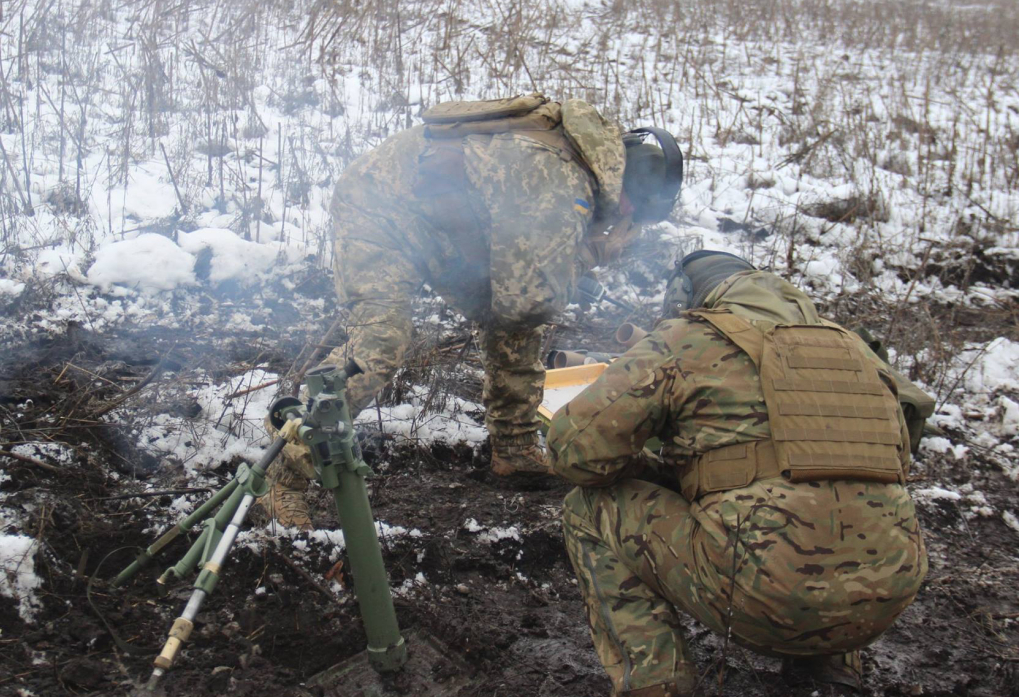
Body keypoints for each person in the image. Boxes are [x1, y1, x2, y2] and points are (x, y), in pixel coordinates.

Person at [256, 94, 681, 529]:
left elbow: (517, 299)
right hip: (379, 211)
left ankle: (513, 451)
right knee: (381, 340)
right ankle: (283, 475)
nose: (626, 222)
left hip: (447, 228)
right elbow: (529, 300)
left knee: (514, 325)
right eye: (635, 214)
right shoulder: (559, 183)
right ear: (628, 194)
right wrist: (587, 255)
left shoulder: (581, 159)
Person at [549, 251, 930, 697]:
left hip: (761, 597)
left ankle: (656, 684)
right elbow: (896, 458)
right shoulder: (856, 348)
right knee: (837, 494)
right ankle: (828, 676)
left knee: (589, 508)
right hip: (884, 600)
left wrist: (657, 466)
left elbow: (574, 452)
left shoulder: (687, 337)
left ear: (689, 298)